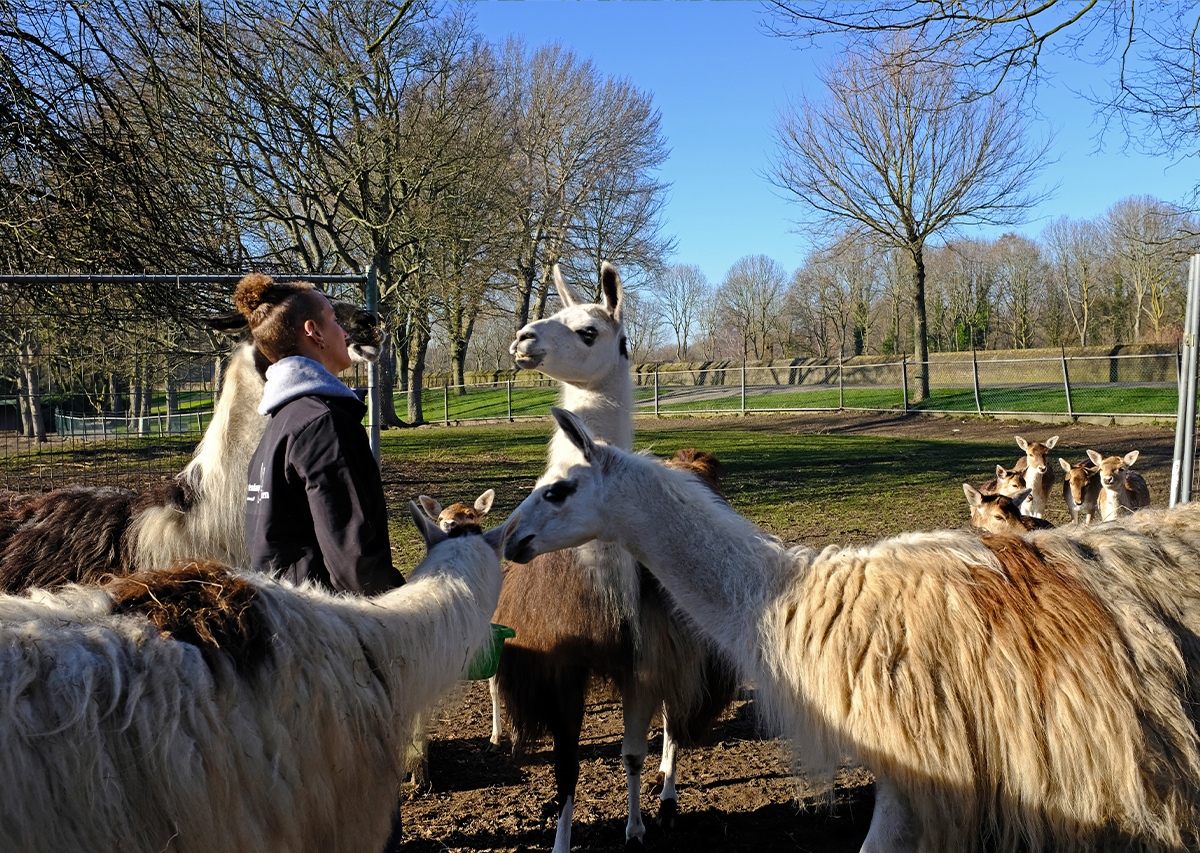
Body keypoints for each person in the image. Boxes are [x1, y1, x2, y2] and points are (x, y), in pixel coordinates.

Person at [234, 272, 403, 596]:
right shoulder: (325, 425)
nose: (344, 332)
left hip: (287, 615)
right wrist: (411, 614)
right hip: (328, 621)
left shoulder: (281, 424)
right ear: (314, 332)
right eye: (335, 321)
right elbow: (357, 570)